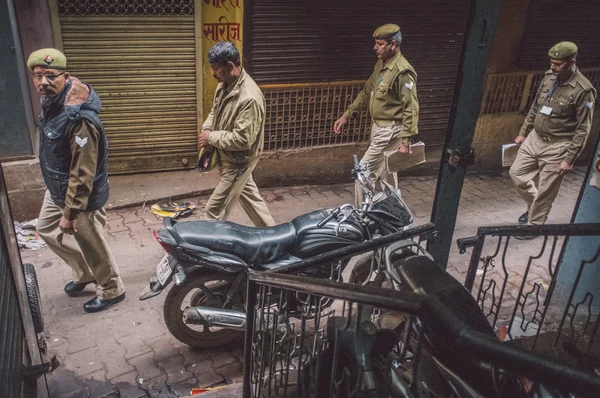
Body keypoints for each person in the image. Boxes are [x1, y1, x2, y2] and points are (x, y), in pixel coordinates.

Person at [28, 48, 125, 313]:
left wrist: (71, 212)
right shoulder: (53, 99)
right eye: (37, 76)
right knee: (46, 229)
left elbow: (83, 173)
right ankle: (85, 272)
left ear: (65, 76)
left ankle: (112, 289)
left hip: (80, 197)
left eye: (50, 76)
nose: (42, 82)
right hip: (57, 188)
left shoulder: (80, 119)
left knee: (93, 245)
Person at [509, 42, 596, 226]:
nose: (552, 66)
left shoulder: (583, 90)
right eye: (551, 62)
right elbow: (535, 106)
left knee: (546, 190)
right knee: (516, 174)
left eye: (558, 64)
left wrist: (569, 159)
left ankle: (535, 225)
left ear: (572, 62)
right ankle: (533, 206)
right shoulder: (549, 77)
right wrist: (523, 132)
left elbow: (583, 129)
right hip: (535, 138)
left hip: (558, 146)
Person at [333, 23, 419, 205]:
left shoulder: (402, 71)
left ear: (393, 44)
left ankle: (362, 216)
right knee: (388, 170)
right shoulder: (381, 65)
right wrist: (346, 115)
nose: (375, 48)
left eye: (380, 44)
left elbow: (411, 107)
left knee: (363, 172)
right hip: (378, 128)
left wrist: (406, 141)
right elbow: (366, 92)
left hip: (390, 131)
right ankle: (394, 210)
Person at [198, 42, 275, 227]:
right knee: (253, 202)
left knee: (214, 211)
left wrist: (211, 138)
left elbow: (242, 140)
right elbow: (214, 111)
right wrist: (207, 128)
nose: (213, 73)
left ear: (231, 67)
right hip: (228, 156)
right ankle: (276, 238)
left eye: (216, 68)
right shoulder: (225, 84)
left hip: (238, 161)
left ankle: (203, 250)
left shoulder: (249, 98)